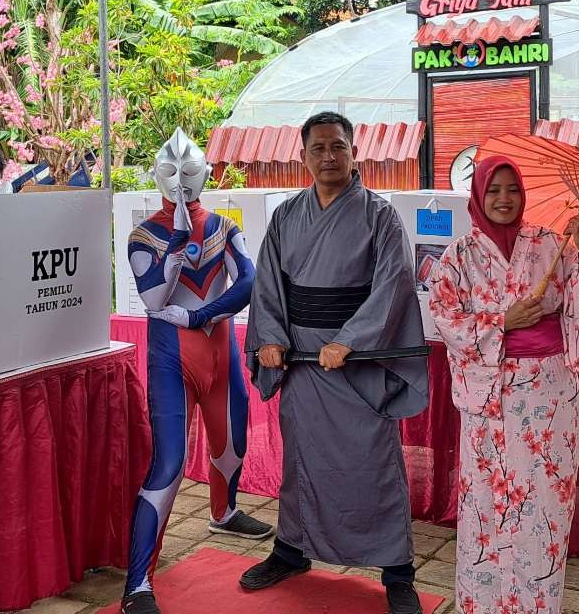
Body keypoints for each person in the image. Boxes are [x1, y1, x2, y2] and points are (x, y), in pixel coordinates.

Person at [242, 111, 430, 614]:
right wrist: (271, 339)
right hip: (302, 358)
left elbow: (394, 282)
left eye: (338, 147)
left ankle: (396, 569)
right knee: (301, 461)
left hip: (358, 361)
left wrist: (349, 341)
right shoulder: (286, 216)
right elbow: (267, 285)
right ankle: (290, 549)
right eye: (318, 148)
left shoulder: (378, 214)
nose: (329, 156)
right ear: (303, 156)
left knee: (374, 463)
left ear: (354, 152)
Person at [427, 156, 579, 614]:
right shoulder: (460, 255)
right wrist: (501, 320)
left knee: (544, 506)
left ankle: (538, 605)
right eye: (493, 190)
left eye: (512, 189)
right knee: (486, 503)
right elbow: (444, 317)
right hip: (488, 396)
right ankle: (485, 604)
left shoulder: (553, 244)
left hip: (549, 394)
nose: (504, 199)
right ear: (478, 194)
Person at [122, 128, 273, 614]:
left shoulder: (226, 226)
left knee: (232, 442)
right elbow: (152, 299)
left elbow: (249, 279)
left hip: (218, 349)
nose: (182, 183)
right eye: (173, 174)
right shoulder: (143, 234)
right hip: (172, 358)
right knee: (168, 464)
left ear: (205, 174)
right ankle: (138, 584)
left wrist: (201, 314)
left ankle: (224, 512)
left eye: (189, 174)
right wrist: (181, 240)